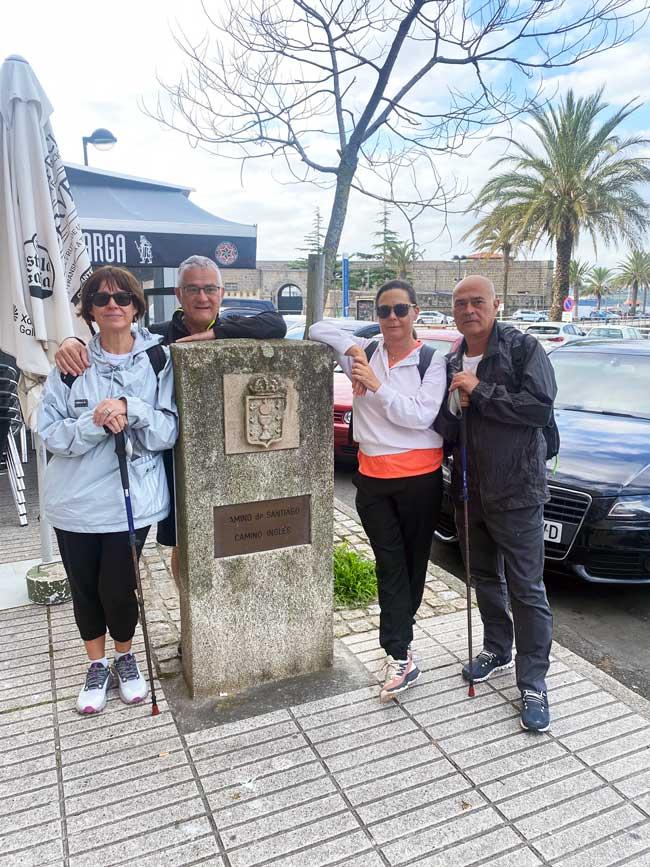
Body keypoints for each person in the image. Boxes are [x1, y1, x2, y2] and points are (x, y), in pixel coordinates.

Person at [54, 255, 287, 598]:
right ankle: (190, 616)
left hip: (231, 458)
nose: (202, 297)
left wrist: (216, 335)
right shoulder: (156, 340)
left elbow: (276, 324)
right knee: (186, 542)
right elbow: (112, 333)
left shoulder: (234, 328)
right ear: (179, 294)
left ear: (222, 293)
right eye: (192, 289)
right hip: (173, 458)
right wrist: (70, 342)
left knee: (237, 537)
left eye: (210, 289)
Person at [37, 266, 178, 714]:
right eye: (101, 298)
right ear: (89, 311)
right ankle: (96, 665)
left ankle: (125, 655)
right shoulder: (71, 363)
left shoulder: (159, 360)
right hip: (74, 503)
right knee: (85, 588)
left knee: (119, 588)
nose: (113, 304)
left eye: (122, 297)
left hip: (130, 502)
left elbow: (167, 430)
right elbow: (49, 434)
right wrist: (93, 423)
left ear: (137, 306)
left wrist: (130, 408)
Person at [310, 280, 447, 702]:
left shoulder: (432, 361)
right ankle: (399, 654)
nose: (392, 318)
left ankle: (401, 643)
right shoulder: (365, 353)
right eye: (384, 310)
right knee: (390, 565)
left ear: (416, 312)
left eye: (400, 310)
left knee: (412, 566)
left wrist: (377, 384)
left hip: (420, 481)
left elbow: (421, 417)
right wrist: (353, 350)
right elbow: (317, 328)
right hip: (372, 481)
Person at [434, 275, 557, 732]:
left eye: (477, 301)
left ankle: (533, 683)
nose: (469, 309)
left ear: (495, 304)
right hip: (470, 491)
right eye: (461, 303)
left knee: (526, 588)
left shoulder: (523, 349)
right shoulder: (451, 358)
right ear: (453, 311)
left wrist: (480, 391)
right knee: (483, 576)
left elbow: (539, 408)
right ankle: (497, 648)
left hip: (517, 491)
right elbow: (447, 428)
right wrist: (454, 405)